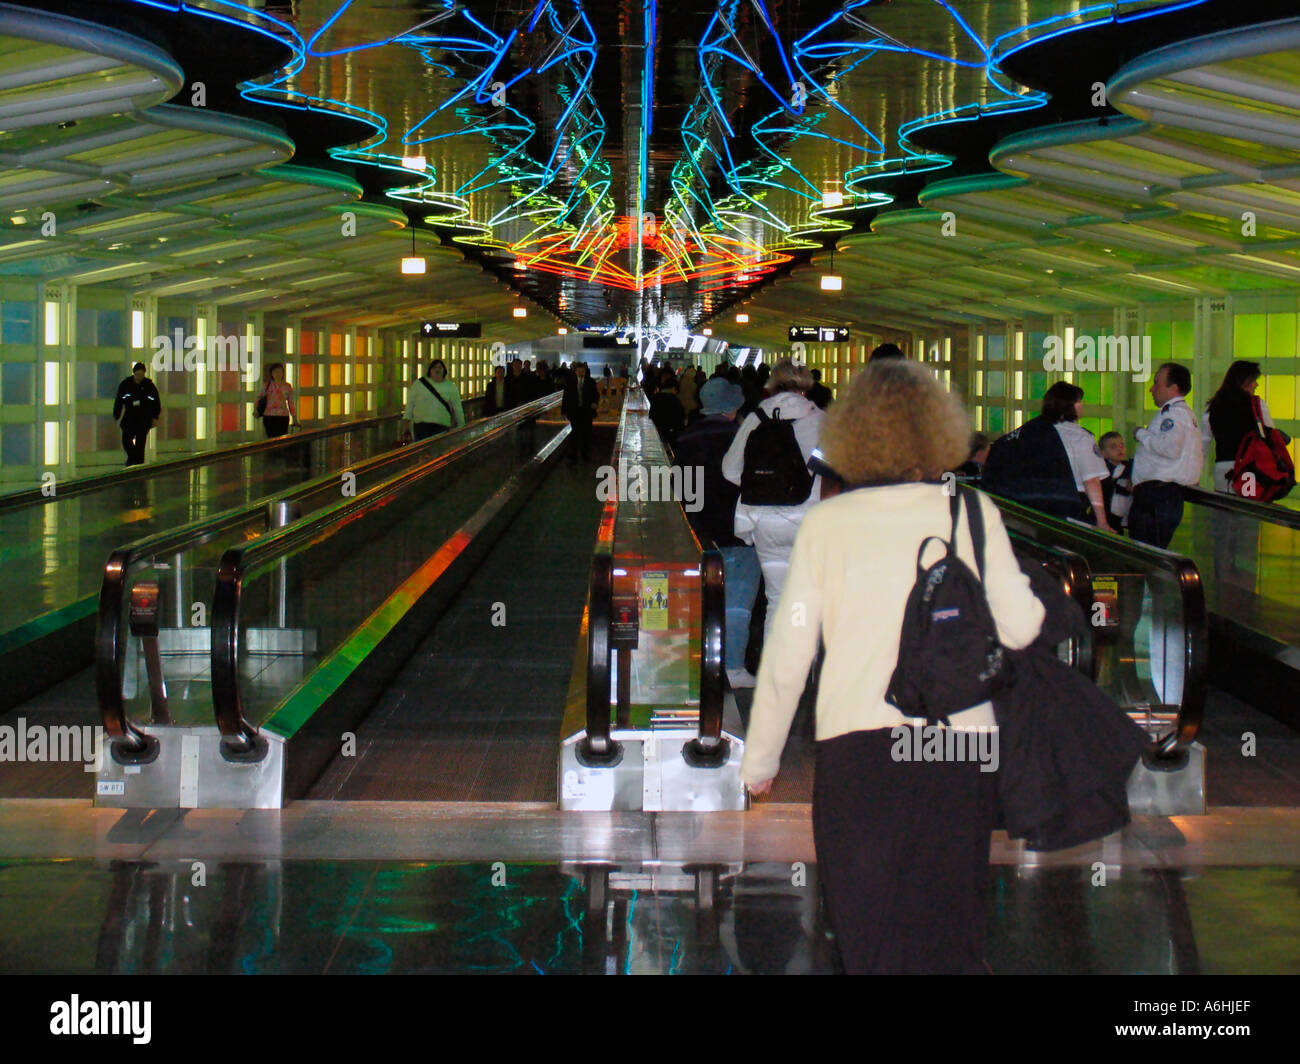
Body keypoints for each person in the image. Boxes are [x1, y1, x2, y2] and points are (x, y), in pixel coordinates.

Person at [740, 359, 1045, 974]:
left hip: (861, 745)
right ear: (942, 433)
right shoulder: (973, 513)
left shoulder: (829, 522)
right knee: (950, 920)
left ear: (854, 434)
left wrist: (761, 760)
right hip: (962, 745)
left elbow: (790, 651)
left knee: (867, 916)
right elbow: (1023, 627)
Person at [721, 359, 825, 643]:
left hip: (764, 522)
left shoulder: (757, 417)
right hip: (810, 519)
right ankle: (807, 675)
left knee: (776, 600)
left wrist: (765, 485)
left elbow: (730, 470)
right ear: (806, 384)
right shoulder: (821, 419)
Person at [672, 377, 759, 688]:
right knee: (737, 601)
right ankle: (733, 666)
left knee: (700, 598)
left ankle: (697, 661)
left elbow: (681, 489)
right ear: (734, 406)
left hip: (698, 531)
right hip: (737, 531)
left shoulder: (685, 438)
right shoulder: (743, 437)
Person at [1129, 362, 1203, 549]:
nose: (1151, 389)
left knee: (1144, 552)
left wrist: (1141, 434)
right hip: (1164, 495)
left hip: (1158, 495)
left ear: (1174, 388)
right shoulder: (1181, 414)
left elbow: (1169, 448)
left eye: (1157, 384)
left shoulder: (1175, 415)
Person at [1040, 382, 1113, 532]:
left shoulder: (1038, 432)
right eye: (1079, 401)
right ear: (1068, 406)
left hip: (1040, 502)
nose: (1082, 405)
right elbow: (1091, 479)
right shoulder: (1081, 437)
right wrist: (1102, 521)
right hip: (1070, 504)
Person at [1204, 360, 1281, 493]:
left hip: (1222, 469)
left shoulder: (1213, 406)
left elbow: (1202, 442)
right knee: (1247, 510)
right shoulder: (1257, 405)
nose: (1256, 384)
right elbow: (1270, 436)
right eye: (1253, 380)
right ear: (1243, 381)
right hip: (1248, 469)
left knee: (1224, 511)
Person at [403, 358, 465, 441]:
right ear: (430, 370)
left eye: (440, 367)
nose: (437, 370)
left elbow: (457, 408)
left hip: (441, 426)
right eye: (434, 367)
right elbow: (410, 404)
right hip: (421, 426)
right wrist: (406, 421)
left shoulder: (450, 387)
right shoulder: (419, 384)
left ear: (444, 370)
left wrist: (462, 425)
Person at [113, 361, 161, 465]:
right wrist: (116, 415)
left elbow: (156, 402)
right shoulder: (126, 385)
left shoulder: (149, 386)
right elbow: (119, 401)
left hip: (143, 418)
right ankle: (133, 458)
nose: (139, 377)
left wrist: (155, 417)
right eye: (137, 374)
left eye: (141, 375)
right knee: (126, 440)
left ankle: (138, 463)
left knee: (140, 443)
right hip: (130, 417)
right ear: (134, 373)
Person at [562, 361, 599, 461]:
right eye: (579, 371)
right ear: (575, 371)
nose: (581, 373)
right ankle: (573, 455)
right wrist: (564, 411)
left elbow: (595, 394)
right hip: (574, 412)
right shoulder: (570, 382)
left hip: (587, 412)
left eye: (583, 371)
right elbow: (566, 397)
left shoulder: (591, 381)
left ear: (585, 371)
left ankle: (585, 455)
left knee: (586, 434)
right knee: (574, 433)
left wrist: (595, 403)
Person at [1098, 431, 1133, 532]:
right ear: (1103, 453)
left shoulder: (1130, 470)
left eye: (1122, 445)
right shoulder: (1101, 470)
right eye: (1113, 447)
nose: (1119, 449)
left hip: (1121, 519)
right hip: (1104, 516)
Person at [255, 362, 297, 439]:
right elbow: (259, 398)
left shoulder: (287, 386)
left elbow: (291, 403)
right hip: (269, 415)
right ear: (272, 374)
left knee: (282, 438)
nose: (278, 374)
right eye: (275, 372)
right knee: (271, 437)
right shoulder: (267, 385)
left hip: (283, 416)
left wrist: (294, 417)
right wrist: (256, 410)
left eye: (280, 371)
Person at [648, 367, 686, 448]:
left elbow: (651, 415)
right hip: (672, 434)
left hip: (658, 432)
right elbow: (680, 418)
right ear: (673, 388)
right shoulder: (674, 400)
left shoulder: (656, 397)